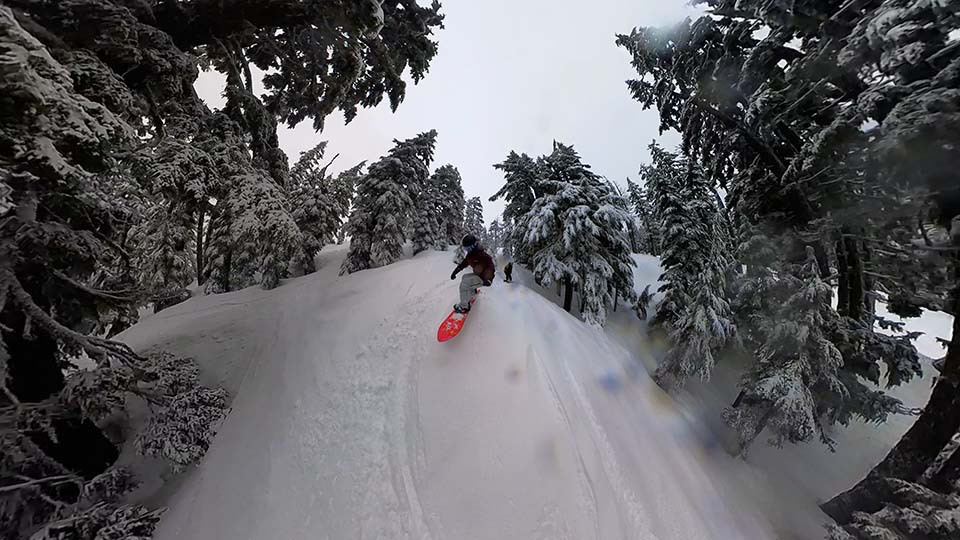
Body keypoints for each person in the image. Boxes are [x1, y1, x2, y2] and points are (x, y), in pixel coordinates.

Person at [450, 234, 495, 313]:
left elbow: (491, 267)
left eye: (469, 248)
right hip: (479, 275)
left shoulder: (481, 255)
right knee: (465, 277)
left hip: (485, 278)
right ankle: (472, 292)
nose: (467, 250)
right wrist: (455, 272)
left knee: (464, 284)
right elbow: (464, 264)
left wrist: (489, 279)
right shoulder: (470, 254)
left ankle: (464, 307)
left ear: (474, 245)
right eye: (466, 248)